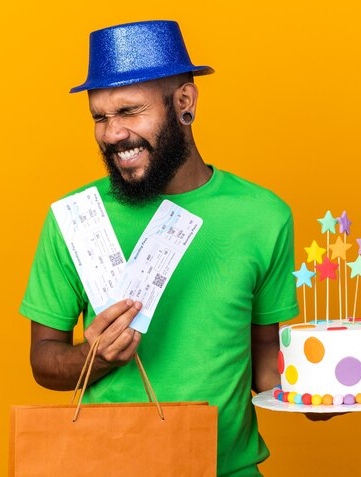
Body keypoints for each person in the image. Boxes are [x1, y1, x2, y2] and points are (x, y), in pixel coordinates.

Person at [20, 20, 299, 476]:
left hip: (226, 469)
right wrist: (97, 356)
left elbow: (264, 356)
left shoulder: (263, 216)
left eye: (129, 111)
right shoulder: (74, 219)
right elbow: (44, 360)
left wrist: (320, 390)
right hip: (107, 468)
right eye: (100, 117)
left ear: (184, 102)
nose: (112, 134)